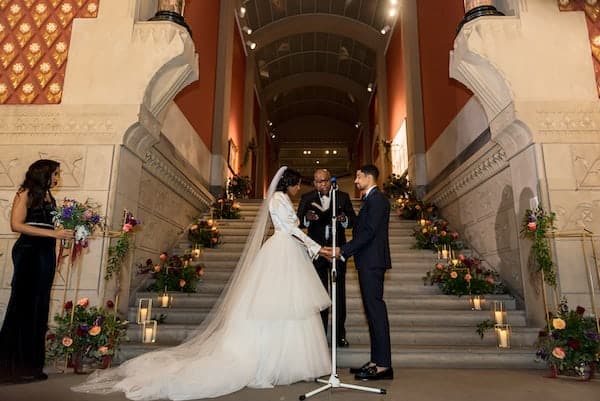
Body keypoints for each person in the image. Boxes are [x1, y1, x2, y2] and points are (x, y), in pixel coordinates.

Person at [72, 167, 332, 400]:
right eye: (298, 183)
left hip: (287, 250)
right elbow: (289, 229)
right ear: (289, 183)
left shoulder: (284, 198)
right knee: (277, 305)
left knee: (290, 306)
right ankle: (269, 364)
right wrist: (318, 248)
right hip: (282, 250)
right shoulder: (277, 198)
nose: (300, 188)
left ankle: (290, 362)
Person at [0, 159, 74, 384]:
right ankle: (11, 367)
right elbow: (16, 225)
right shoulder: (25, 193)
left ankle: (31, 366)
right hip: (28, 250)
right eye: (55, 173)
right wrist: (54, 235)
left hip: (45, 252)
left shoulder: (51, 197)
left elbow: (51, 226)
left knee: (40, 306)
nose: (57, 177)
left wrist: (62, 236)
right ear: (44, 174)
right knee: (22, 304)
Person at [330, 164, 393, 381]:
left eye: (358, 176)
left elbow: (368, 232)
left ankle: (384, 365)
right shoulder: (370, 199)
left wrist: (343, 250)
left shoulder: (377, 200)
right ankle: (377, 361)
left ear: (368, 177)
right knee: (371, 313)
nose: (355, 181)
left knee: (376, 312)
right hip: (367, 261)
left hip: (372, 262)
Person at [297, 168, 356, 347]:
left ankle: (339, 335)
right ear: (314, 183)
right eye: (318, 181)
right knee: (319, 296)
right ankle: (320, 335)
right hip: (317, 253)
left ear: (330, 181)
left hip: (338, 251)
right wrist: (307, 218)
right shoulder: (307, 198)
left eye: (325, 180)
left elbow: (353, 221)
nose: (322, 184)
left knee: (339, 296)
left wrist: (343, 218)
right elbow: (298, 222)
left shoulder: (343, 197)